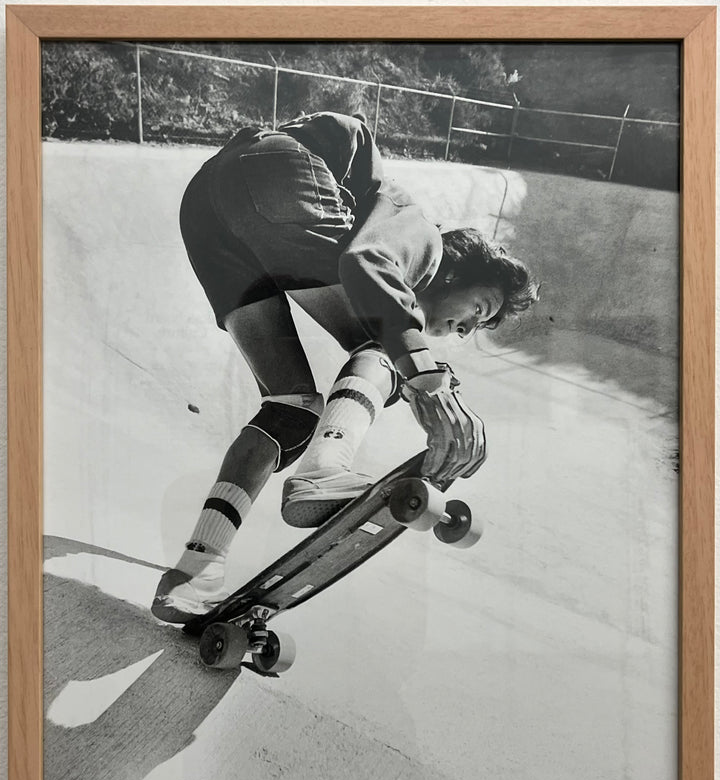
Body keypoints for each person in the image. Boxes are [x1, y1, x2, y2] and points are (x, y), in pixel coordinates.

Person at [151, 110, 539, 624]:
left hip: (209, 212)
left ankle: (195, 567)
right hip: (279, 172)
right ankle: (323, 471)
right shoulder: (423, 238)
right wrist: (425, 373)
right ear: (461, 271)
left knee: (289, 408)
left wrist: (419, 364)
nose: (463, 331)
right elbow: (366, 263)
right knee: (385, 346)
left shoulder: (399, 252)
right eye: (480, 310)